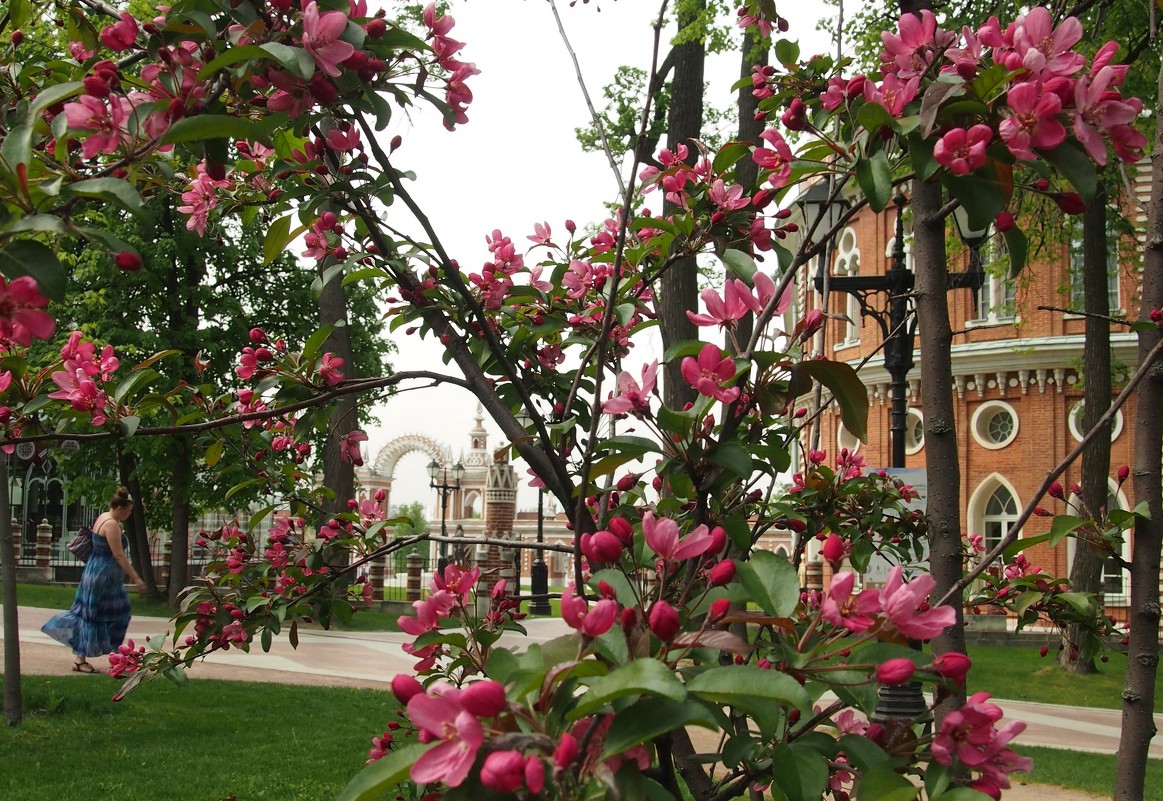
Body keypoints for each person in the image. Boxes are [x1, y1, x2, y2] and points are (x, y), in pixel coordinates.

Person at [41, 486, 148, 673]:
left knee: (97, 614)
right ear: (121, 508)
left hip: (95, 572)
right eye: (129, 510)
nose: (130, 514)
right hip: (103, 577)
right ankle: (99, 657)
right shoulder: (111, 524)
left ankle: (98, 656)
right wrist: (137, 578)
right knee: (108, 614)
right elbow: (119, 555)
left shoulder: (104, 518)